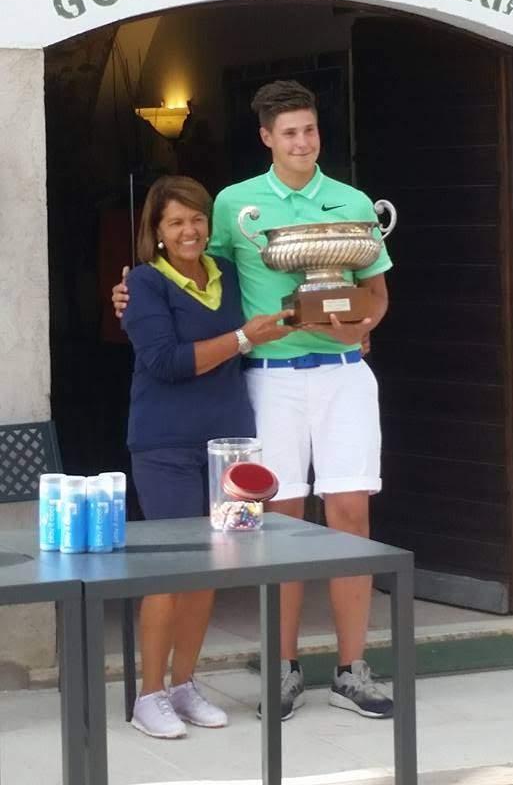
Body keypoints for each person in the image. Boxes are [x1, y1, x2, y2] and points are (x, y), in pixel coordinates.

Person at [114, 80, 393, 723]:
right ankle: (284, 667)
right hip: (268, 378)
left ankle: (352, 670)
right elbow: (188, 270)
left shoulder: (353, 201)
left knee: (350, 514)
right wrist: (131, 288)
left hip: (344, 374)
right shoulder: (234, 204)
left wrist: (359, 326)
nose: (302, 141)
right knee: (279, 523)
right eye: (289, 132)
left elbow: (376, 293)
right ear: (267, 137)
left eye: (310, 130)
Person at [120, 174, 292, 739]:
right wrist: (242, 339)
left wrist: (349, 328)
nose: (189, 230)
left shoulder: (230, 273)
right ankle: (149, 696)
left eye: (197, 218)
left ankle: (183, 686)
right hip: (165, 443)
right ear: (156, 231)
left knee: (213, 569)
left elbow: (287, 302)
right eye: (175, 222)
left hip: (230, 444)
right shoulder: (144, 282)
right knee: (171, 570)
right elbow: (165, 362)